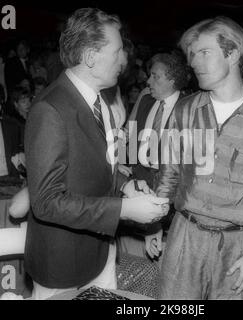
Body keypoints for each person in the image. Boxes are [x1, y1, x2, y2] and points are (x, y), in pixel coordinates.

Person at [146, 16, 243, 300]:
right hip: (184, 236)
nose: (193, 62)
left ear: (233, 54)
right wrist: (153, 223)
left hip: (241, 244)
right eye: (192, 55)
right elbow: (169, 174)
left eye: (204, 53)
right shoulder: (185, 110)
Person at [24, 8, 168, 300]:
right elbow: (47, 203)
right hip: (63, 265)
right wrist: (125, 210)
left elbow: (100, 167)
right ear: (90, 56)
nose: (123, 59)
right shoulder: (49, 109)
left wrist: (126, 187)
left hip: (100, 253)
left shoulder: (98, 101)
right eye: (116, 51)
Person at [119, 53, 189, 257]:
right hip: (137, 186)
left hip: (168, 195)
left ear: (172, 80)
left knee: (162, 255)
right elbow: (133, 139)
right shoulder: (146, 101)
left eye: (155, 76)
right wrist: (124, 163)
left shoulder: (189, 109)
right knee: (132, 251)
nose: (148, 81)